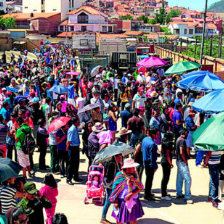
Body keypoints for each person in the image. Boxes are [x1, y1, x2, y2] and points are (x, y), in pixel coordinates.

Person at [109, 158, 144, 224]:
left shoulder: (135, 175)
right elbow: (114, 190)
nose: (134, 168)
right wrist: (115, 202)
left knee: (133, 219)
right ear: (127, 168)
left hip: (133, 200)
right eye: (132, 167)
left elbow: (140, 187)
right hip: (121, 201)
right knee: (119, 219)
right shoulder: (120, 176)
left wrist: (131, 194)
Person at [100, 154, 123, 224]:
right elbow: (109, 177)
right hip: (110, 185)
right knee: (109, 201)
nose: (120, 158)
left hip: (113, 185)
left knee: (111, 201)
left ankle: (119, 218)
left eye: (121, 157)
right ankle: (103, 218)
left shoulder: (117, 164)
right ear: (115, 157)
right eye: (119, 157)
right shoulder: (112, 164)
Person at [176, 129, 193, 204]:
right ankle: (187, 196)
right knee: (188, 179)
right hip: (182, 162)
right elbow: (181, 151)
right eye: (187, 133)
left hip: (178, 161)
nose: (187, 135)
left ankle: (179, 193)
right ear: (184, 133)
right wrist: (185, 161)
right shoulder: (182, 140)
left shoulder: (178, 139)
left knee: (179, 178)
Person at [141, 129, 159, 201]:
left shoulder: (145, 139)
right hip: (150, 164)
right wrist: (155, 166)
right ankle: (147, 195)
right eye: (157, 134)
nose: (158, 136)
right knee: (149, 180)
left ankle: (148, 192)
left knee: (148, 179)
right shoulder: (152, 144)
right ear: (153, 134)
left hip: (145, 162)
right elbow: (152, 157)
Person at [66, 116, 82, 185]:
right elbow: (69, 140)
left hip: (76, 147)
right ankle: (68, 178)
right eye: (78, 121)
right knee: (71, 164)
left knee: (76, 162)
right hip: (72, 148)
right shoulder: (72, 129)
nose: (79, 122)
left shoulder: (75, 128)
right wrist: (67, 149)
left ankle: (76, 176)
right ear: (75, 122)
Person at [161, 131, 174, 201]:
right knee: (166, 178)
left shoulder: (163, 142)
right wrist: (171, 163)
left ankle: (164, 192)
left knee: (165, 178)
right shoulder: (168, 144)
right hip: (166, 162)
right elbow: (168, 155)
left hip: (163, 160)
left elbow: (161, 151)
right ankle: (163, 194)